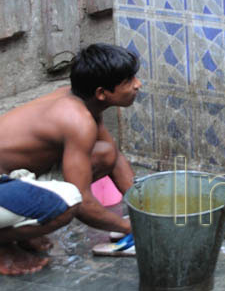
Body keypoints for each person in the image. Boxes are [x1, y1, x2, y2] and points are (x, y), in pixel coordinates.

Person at [0, 45, 140, 275]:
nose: (137, 85)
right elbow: (83, 203)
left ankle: (18, 232)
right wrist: (130, 227)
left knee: (104, 152)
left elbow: (113, 157)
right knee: (67, 205)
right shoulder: (77, 119)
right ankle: (2, 245)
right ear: (102, 92)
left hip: (11, 178)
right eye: (128, 81)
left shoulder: (83, 100)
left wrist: (146, 211)